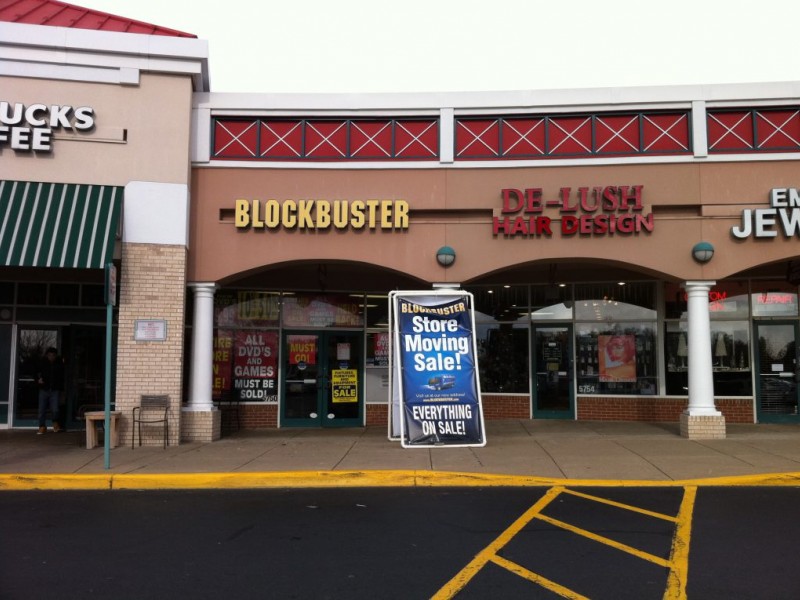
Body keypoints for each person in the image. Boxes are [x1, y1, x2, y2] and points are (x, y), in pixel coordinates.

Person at [37, 347, 65, 434]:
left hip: (55, 390)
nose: (51, 357)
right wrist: (38, 380)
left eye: (53, 356)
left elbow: (62, 376)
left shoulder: (59, 364)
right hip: (44, 389)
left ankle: (55, 423)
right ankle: (42, 426)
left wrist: (61, 388)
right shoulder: (42, 363)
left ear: (56, 356)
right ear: (46, 355)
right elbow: (35, 372)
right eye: (49, 355)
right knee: (41, 409)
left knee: (55, 409)